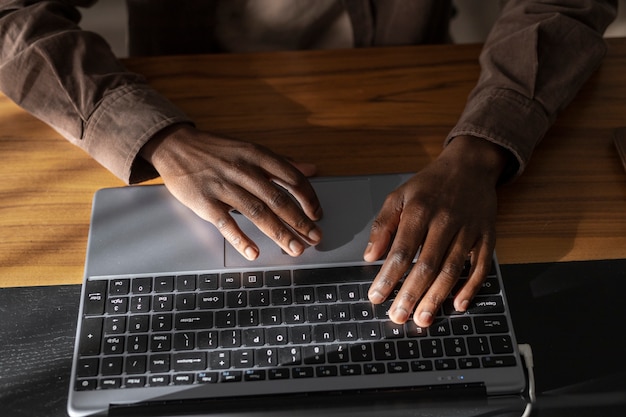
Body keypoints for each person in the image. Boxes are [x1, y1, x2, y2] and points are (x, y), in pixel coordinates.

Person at [0, 0, 617, 328]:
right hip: (190, 103)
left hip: (407, 93)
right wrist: (158, 139)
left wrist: (484, 150)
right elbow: (13, 16)